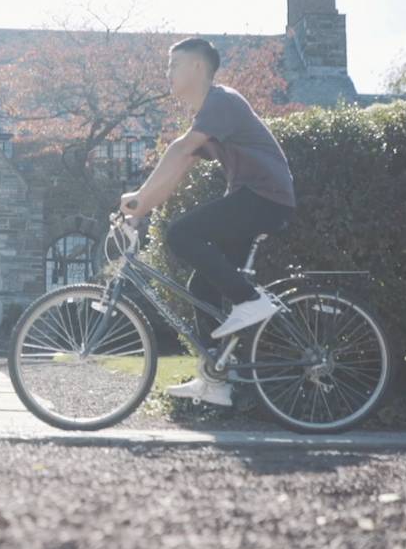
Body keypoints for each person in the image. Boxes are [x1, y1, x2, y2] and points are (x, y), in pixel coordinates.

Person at [119, 37, 296, 407]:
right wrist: (141, 207)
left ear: (198, 67)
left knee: (181, 234)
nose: (167, 73)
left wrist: (140, 198)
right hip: (255, 199)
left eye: (174, 65)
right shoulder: (207, 114)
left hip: (265, 197)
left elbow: (179, 149)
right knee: (202, 285)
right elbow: (179, 168)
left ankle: (251, 300)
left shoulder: (221, 100)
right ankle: (216, 379)